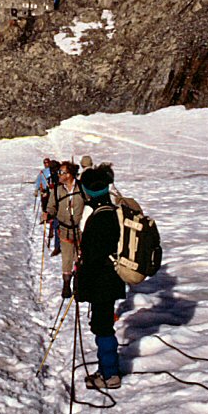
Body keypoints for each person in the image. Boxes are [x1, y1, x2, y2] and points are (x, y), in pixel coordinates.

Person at [76, 163, 126, 389]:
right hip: (112, 279)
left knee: (103, 325)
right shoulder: (113, 212)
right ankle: (107, 369)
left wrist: (81, 287)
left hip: (101, 282)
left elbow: (92, 259)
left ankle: (110, 374)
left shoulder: (98, 218)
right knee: (103, 324)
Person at [42, 161, 85, 298]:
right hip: (64, 229)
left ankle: (79, 285)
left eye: (62, 172)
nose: (59, 175)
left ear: (70, 174)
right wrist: (48, 213)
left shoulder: (82, 189)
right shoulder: (57, 190)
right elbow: (51, 206)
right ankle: (66, 285)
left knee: (80, 257)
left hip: (81, 230)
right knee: (66, 258)